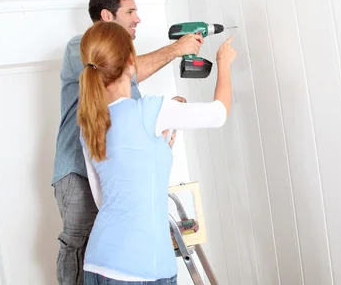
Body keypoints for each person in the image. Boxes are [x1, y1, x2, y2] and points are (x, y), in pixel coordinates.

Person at [52, 0, 203, 285]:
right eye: (130, 12)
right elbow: (125, 71)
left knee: (111, 252)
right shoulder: (80, 46)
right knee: (79, 245)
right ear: (107, 16)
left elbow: (127, 122)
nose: (138, 19)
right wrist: (176, 49)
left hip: (110, 172)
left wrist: (164, 118)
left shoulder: (124, 73)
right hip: (79, 171)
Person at [77, 21, 236, 285]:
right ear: (131, 61)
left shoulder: (90, 125)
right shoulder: (149, 110)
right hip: (142, 270)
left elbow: (104, 198)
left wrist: (155, 150)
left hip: (97, 263)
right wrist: (224, 63)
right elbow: (218, 114)